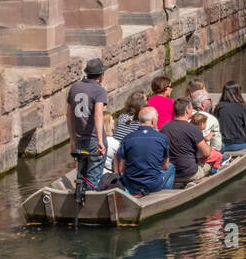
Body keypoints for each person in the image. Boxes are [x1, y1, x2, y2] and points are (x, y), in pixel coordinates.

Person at [66, 58, 108, 190]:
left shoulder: (75, 87)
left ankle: (79, 195)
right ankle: (90, 200)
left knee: (82, 173)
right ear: (101, 75)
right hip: (93, 138)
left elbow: (68, 114)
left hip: (79, 137)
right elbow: (98, 114)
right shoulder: (99, 90)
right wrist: (100, 140)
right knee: (93, 176)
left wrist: (72, 139)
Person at [112, 106, 175, 195]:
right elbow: (165, 166)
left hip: (132, 185)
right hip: (153, 185)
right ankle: (165, 196)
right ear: (153, 121)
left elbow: (121, 169)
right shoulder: (162, 138)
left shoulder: (127, 138)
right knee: (172, 167)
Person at [163, 97, 225, 185]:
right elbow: (206, 153)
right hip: (190, 173)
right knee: (215, 158)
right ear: (187, 111)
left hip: (172, 172)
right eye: (191, 109)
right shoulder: (194, 129)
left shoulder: (164, 128)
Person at [215, 81, 246, 151]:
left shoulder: (219, 106)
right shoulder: (244, 107)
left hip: (222, 145)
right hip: (239, 145)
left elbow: (215, 125)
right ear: (238, 92)